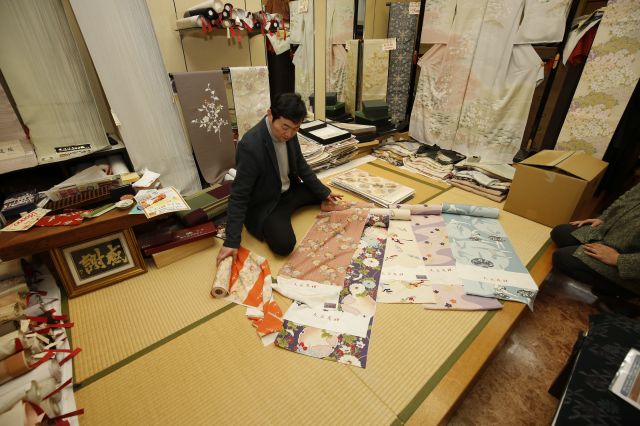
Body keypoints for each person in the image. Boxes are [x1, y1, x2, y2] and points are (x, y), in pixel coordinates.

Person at [216, 93, 342, 265]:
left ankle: (314, 199)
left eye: (296, 128)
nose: (289, 134)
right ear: (270, 114)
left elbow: (301, 165)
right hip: (267, 203)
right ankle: (277, 219)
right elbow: (239, 194)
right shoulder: (250, 145)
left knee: (322, 192)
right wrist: (231, 241)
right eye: (285, 127)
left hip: (288, 191)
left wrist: (323, 193)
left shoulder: (290, 132)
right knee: (284, 245)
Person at [550, 182, 640, 298]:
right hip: (613, 232)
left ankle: (626, 295)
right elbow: (627, 197)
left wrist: (618, 259)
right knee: (560, 232)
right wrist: (604, 218)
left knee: (562, 258)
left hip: (629, 261)